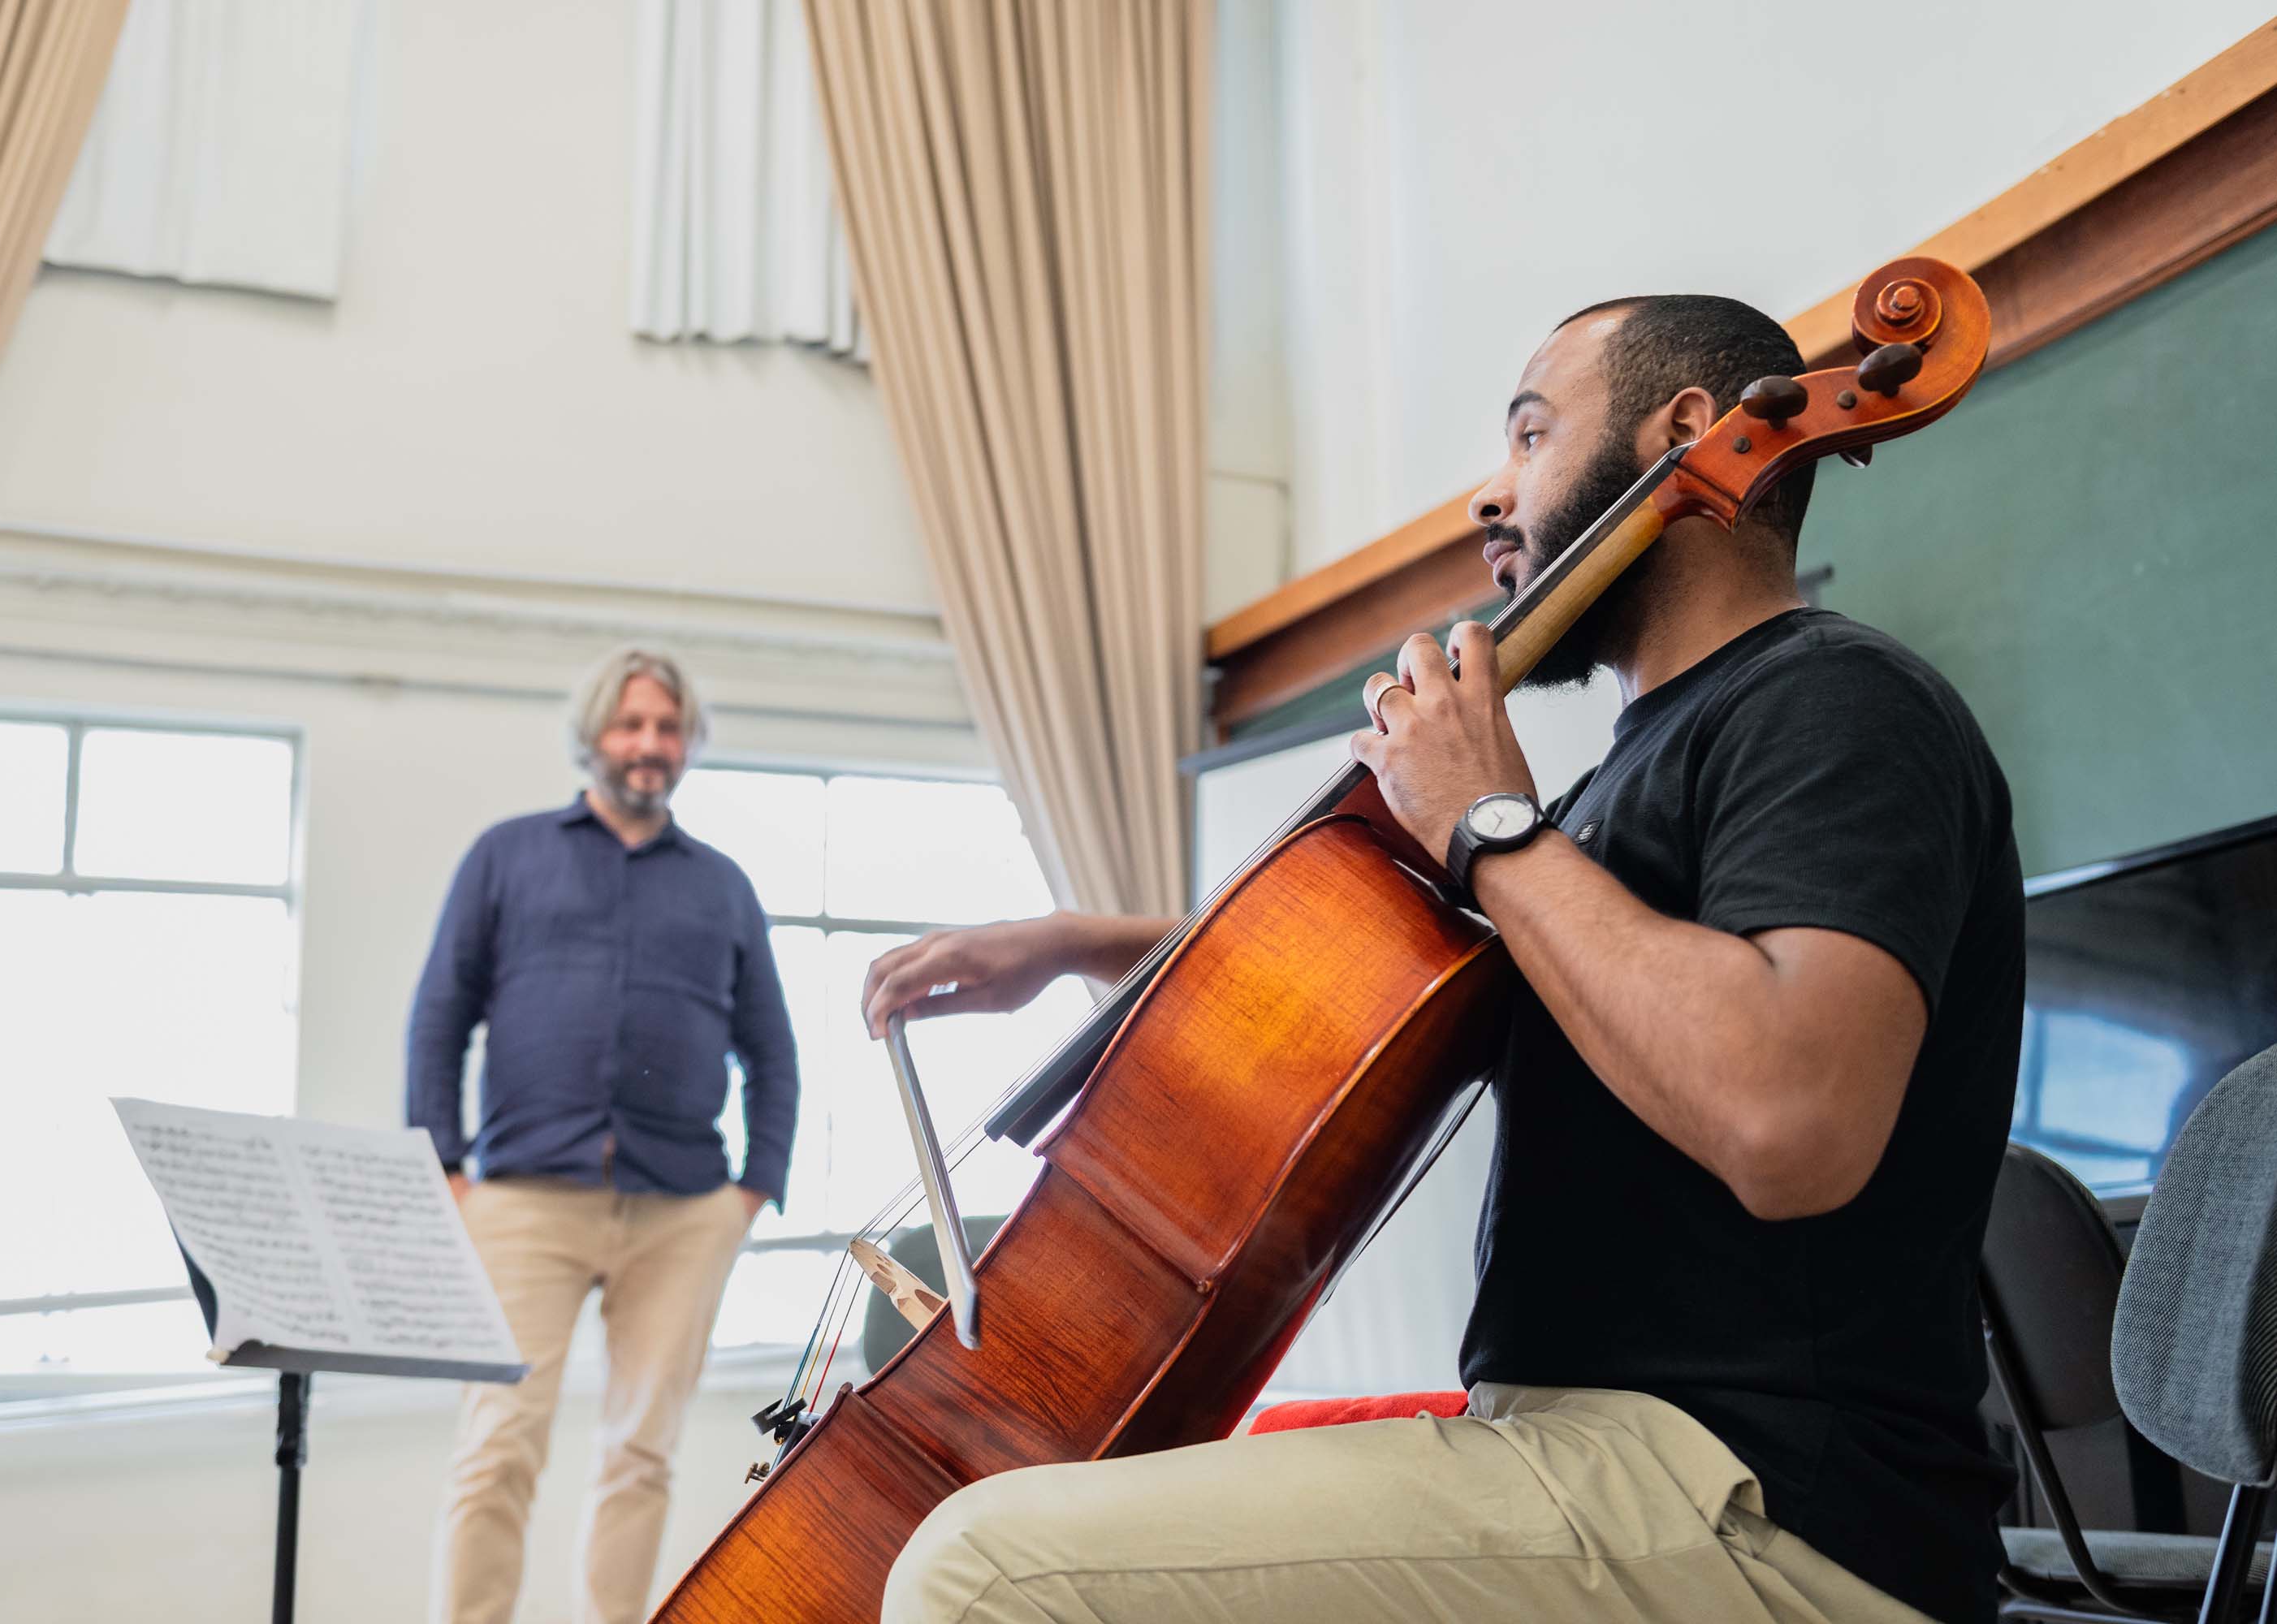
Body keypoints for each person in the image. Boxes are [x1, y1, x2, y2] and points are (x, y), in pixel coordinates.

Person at [858, 296, 2022, 1624]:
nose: (1490, 493)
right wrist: (1090, 948)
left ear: (1686, 431)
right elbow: (1421, 975)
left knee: (980, 1567)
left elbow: (1790, 1121)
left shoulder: (1832, 704)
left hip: (1764, 1508)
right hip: (1595, 1462)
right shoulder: (1600, 795)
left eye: (1530, 434)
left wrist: (1484, 822)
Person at [410, 646, 797, 1624]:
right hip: (522, 1202)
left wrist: (755, 1187)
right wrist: (443, 1169)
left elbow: (770, 1046)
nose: (648, 744)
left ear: (686, 744)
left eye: (666, 727)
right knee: (496, 1447)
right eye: (630, 724)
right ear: (593, 734)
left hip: (681, 1210)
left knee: (641, 1452)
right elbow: (439, 1013)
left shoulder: (722, 885)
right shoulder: (506, 854)